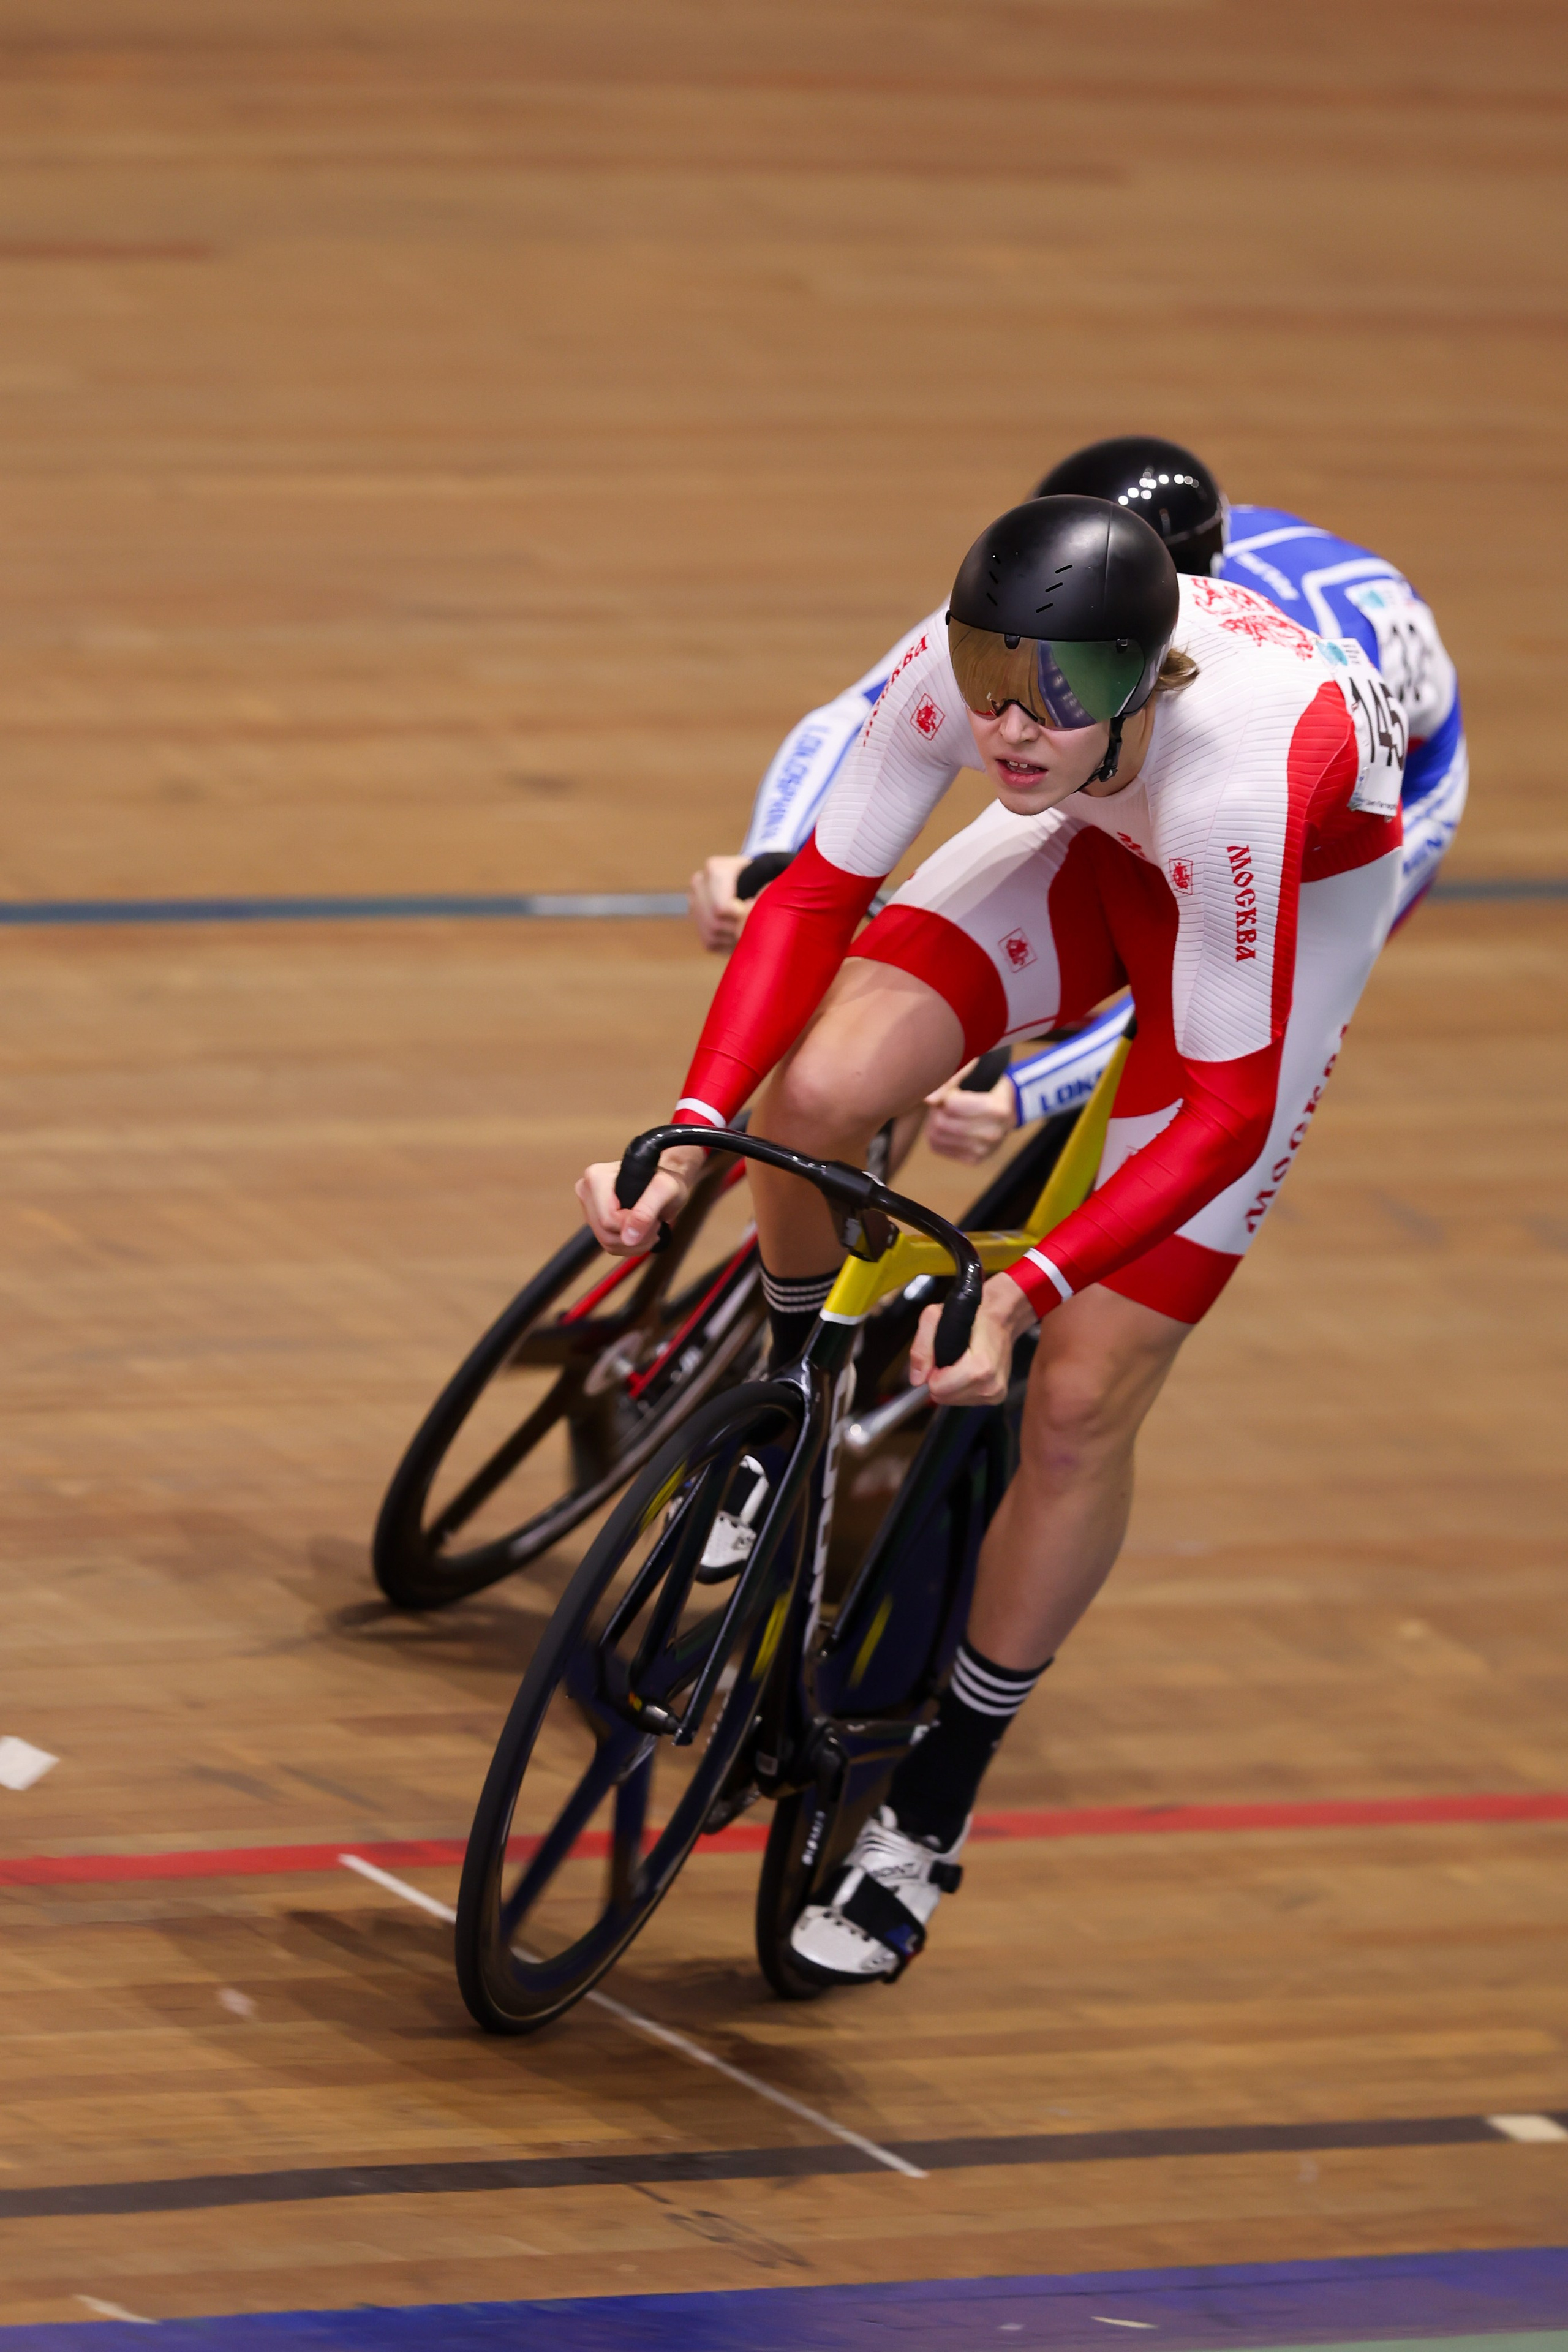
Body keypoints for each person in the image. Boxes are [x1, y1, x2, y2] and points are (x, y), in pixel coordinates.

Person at [580, 492, 1409, 1985]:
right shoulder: (973, 686)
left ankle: (926, 1810)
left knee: (1082, 1397)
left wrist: (1027, 1286)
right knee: (816, 1092)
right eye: (985, 674)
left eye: (1058, 694)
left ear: (1142, 679)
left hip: (1264, 905)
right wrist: (697, 1116)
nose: (1008, 726)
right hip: (1089, 848)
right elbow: (820, 892)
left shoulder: (1236, 776)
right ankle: (777, 1410)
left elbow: (1219, 1110)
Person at [689, 436, 1465, 1170]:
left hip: (1365, 802)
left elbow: (1214, 1004)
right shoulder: (1061, 593)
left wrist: (1030, 1092)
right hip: (1129, 745)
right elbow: (860, 712)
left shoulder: (1255, 695)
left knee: (1193, 986)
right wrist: (771, 848)